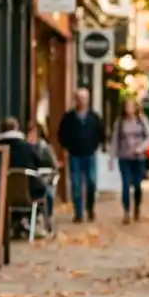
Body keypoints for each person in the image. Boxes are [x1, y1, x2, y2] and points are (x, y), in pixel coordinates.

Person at [58, 88, 105, 223]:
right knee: (76, 185)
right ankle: (78, 213)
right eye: (79, 98)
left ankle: (90, 208)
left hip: (90, 154)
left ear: (88, 99)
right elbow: (61, 134)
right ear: (75, 100)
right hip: (75, 155)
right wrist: (65, 148)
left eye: (84, 98)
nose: (82, 101)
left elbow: (101, 133)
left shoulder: (94, 117)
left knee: (92, 182)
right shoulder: (69, 117)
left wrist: (97, 145)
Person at [0, 118, 46, 236]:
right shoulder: (28, 147)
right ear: (17, 129)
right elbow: (39, 162)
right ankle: (31, 223)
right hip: (28, 194)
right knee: (44, 191)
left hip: (1, 194)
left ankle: (15, 223)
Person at [111, 97, 149, 224]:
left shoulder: (141, 120)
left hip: (138, 158)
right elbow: (115, 139)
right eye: (126, 106)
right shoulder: (120, 122)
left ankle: (137, 206)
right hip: (124, 157)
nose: (128, 109)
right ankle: (126, 211)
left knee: (137, 185)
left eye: (131, 106)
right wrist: (112, 156)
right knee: (125, 185)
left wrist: (142, 148)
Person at [27, 123, 58, 233]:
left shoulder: (45, 148)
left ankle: (47, 220)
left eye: (34, 133)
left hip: (44, 179)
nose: (31, 136)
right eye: (29, 133)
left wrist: (48, 176)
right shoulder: (25, 148)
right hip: (29, 181)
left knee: (48, 193)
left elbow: (54, 167)